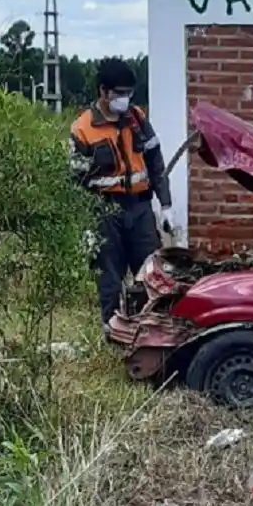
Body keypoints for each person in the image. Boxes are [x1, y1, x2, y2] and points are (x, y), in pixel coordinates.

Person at [68, 58, 175, 332]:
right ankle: (114, 334)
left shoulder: (137, 119)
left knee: (150, 274)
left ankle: (150, 331)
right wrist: (84, 227)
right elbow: (74, 183)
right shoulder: (82, 129)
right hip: (105, 213)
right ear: (103, 92)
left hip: (139, 209)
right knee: (109, 278)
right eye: (120, 93)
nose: (125, 99)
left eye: (129, 93)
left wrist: (165, 205)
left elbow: (156, 163)